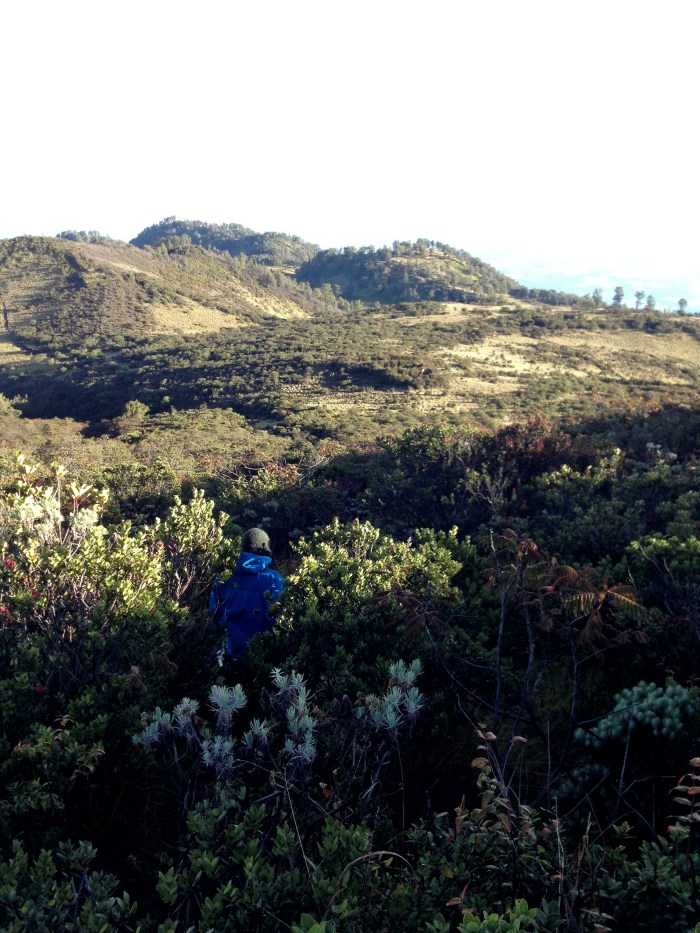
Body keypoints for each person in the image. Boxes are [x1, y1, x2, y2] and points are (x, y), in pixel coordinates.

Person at [209, 528, 285, 659]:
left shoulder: (224, 577)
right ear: (265, 549)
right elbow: (279, 620)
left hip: (230, 653)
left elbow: (215, 615)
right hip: (264, 656)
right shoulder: (274, 579)